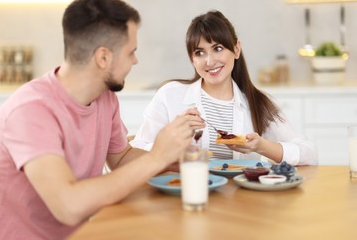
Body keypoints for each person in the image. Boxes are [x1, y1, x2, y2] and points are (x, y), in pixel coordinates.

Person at [0, 0, 195, 239]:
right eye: (131, 52)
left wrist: (176, 161)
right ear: (104, 57)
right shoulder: (30, 111)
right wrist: (157, 158)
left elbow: (121, 157)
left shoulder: (105, 98)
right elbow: (69, 206)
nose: (135, 60)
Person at [130, 10, 318, 166]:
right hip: (183, 194)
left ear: (236, 49)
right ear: (192, 60)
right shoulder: (170, 95)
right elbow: (136, 150)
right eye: (199, 52)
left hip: (239, 202)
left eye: (218, 48)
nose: (210, 61)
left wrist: (260, 146)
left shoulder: (257, 103)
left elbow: (309, 154)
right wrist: (172, 138)